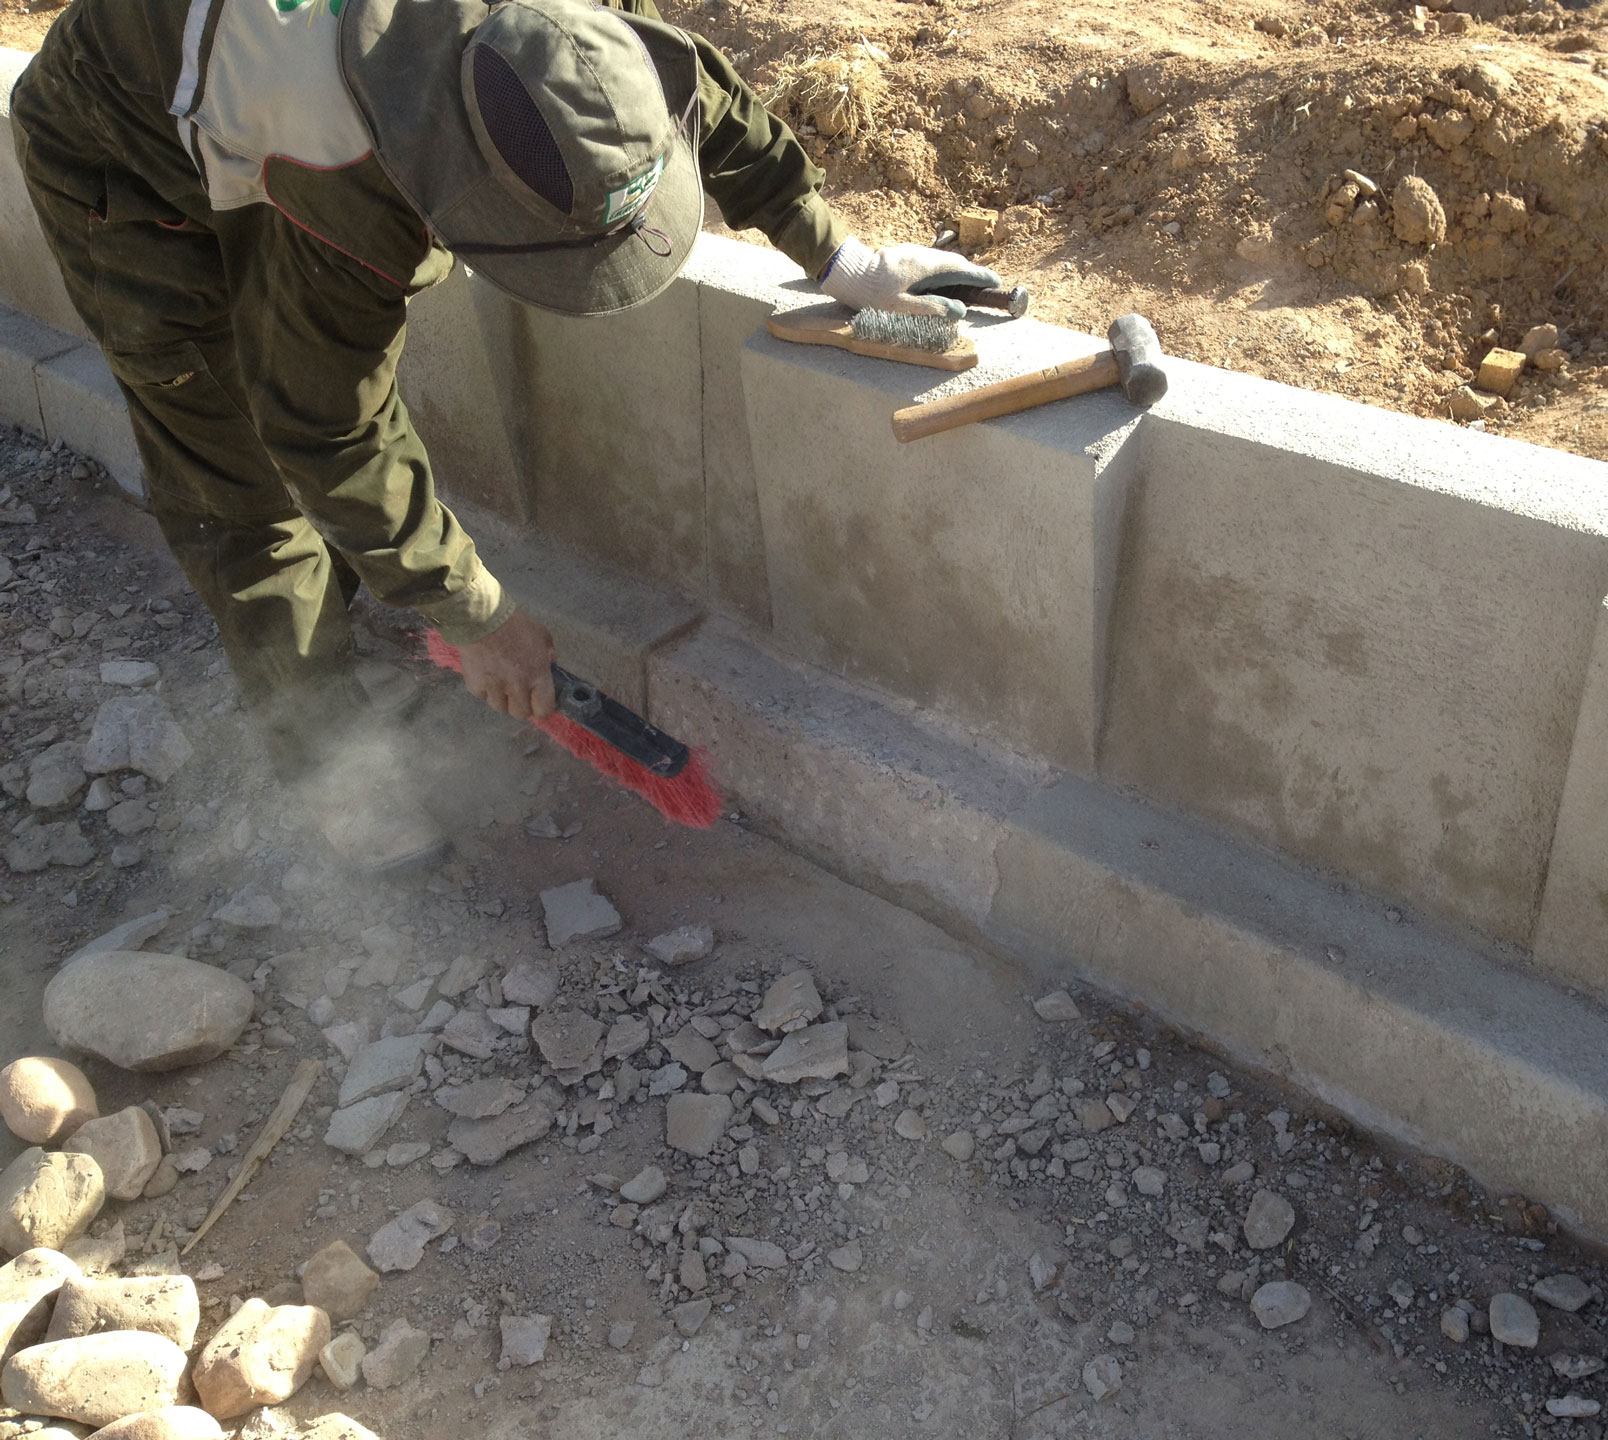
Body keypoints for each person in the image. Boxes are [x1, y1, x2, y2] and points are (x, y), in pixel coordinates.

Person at [10, 0, 997, 868]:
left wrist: (835, 254)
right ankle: (327, 764)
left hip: (265, 111)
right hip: (130, 167)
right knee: (242, 479)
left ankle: (350, 614)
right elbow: (321, 424)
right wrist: (473, 612)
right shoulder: (335, 155)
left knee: (325, 485)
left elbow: (679, 85)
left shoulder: (570, 32)